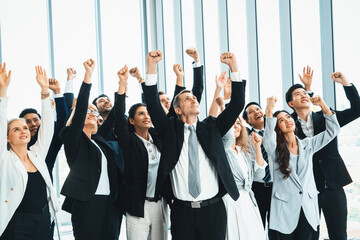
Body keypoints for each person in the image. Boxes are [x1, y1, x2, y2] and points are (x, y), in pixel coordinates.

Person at [142, 50, 245, 240]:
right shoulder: (169, 129)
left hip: (213, 210)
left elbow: (237, 104)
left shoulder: (212, 127)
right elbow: (152, 104)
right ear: (177, 109)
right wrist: (151, 66)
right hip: (182, 212)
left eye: (195, 98)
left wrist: (234, 68)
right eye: (188, 98)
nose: (194, 99)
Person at [286, 68, 360, 240]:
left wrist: (346, 83)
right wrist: (306, 91)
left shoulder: (327, 116)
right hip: (307, 191)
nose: (303, 95)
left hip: (333, 185)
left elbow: (357, 110)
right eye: (298, 94)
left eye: (305, 93)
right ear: (291, 104)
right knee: (310, 235)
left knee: (339, 235)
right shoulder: (288, 126)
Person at [262, 95, 340, 240]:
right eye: (281, 120)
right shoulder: (274, 149)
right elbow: (268, 138)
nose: (287, 121)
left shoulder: (308, 144)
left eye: (288, 117)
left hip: (307, 207)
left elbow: (332, 131)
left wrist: (322, 105)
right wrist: (269, 109)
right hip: (284, 211)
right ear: (277, 127)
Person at [59, 59, 119, 240]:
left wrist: (121, 86)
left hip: (110, 203)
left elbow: (115, 115)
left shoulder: (101, 141)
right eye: (88, 111)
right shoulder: (72, 137)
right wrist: (88, 76)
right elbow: (78, 112)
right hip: (87, 201)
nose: (92, 113)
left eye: (95, 112)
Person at [0, 63, 59, 239]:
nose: (24, 131)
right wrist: (3, 93)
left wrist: (44, 91)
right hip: (16, 224)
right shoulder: (5, 158)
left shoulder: (37, 154)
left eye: (25, 128)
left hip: (42, 221)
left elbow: (47, 125)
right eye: (16, 129)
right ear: (7, 138)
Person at [114, 65, 169, 240]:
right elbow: (117, 117)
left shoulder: (157, 137)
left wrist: (141, 80)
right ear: (131, 120)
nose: (146, 116)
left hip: (160, 204)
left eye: (147, 113)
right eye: (140, 114)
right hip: (138, 206)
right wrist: (122, 84)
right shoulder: (128, 141)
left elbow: (154, 107)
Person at [210, 92, 266, 240]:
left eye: (238, 123)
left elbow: (260, 175)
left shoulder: (243, 152)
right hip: (231, 201)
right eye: (232, 123)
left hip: (249, 200)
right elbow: (227, 134)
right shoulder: (224, 150)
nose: (235, 125)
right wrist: (223, 106)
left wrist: (257, 147)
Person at [242, 101, 273, 233]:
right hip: (256, 188)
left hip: (276, 188)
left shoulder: (277, 132)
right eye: (251, 112)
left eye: (258, 109)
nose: (256, 112)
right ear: (247, 121)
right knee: (257, 228)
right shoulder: (245, 138)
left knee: (276, 231)